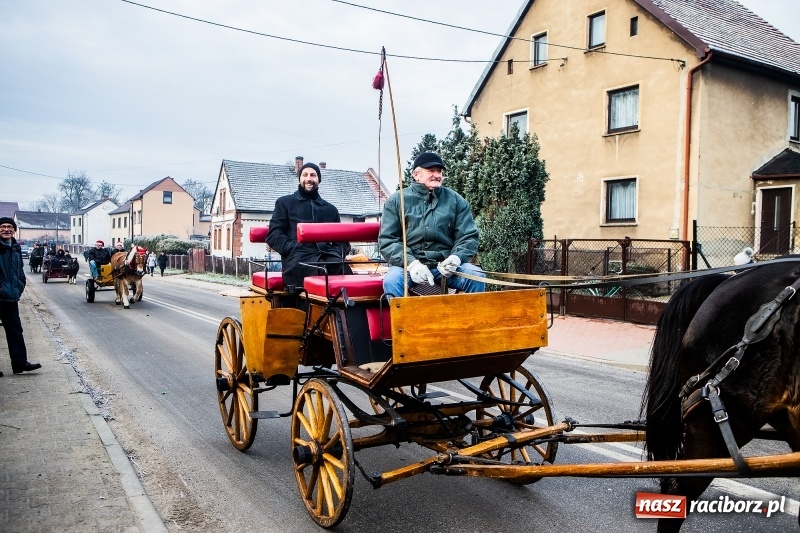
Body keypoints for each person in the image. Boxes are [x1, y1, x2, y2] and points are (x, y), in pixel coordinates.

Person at [379, 151, 485, 297]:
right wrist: (411, 263)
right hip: (409, 266)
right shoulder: (397, 201)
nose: (437, 174)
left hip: (446, 265)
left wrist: (456, 258)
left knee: (476, 275)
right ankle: (407, 320)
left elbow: (468, 236)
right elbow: (388, 240)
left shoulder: (456, 200)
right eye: (431, 170)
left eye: (439, 171)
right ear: (416, 174)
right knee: (392, 281)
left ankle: (469, 319)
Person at [266, 161, 352, 290]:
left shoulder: (330, 209)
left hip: (329, 257)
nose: (308, 179)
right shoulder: (285, 203)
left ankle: (354, 309)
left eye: (313, 175)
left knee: (347, 274)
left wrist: (336, 253)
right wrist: (293, 248)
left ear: (319, 179)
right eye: (305, 175)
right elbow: (274, 234)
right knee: (322, 275)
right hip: (298, 260)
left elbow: (340, 239)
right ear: (299, 178)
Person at [0, 217, 42, 376]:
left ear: (14, 231)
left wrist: (19, 286)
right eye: (2, 227)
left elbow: (19, 272)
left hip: (11, 296)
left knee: (15, 330)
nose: (6, 229)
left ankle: (19, 364)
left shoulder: (16, 248)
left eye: (9, 227)